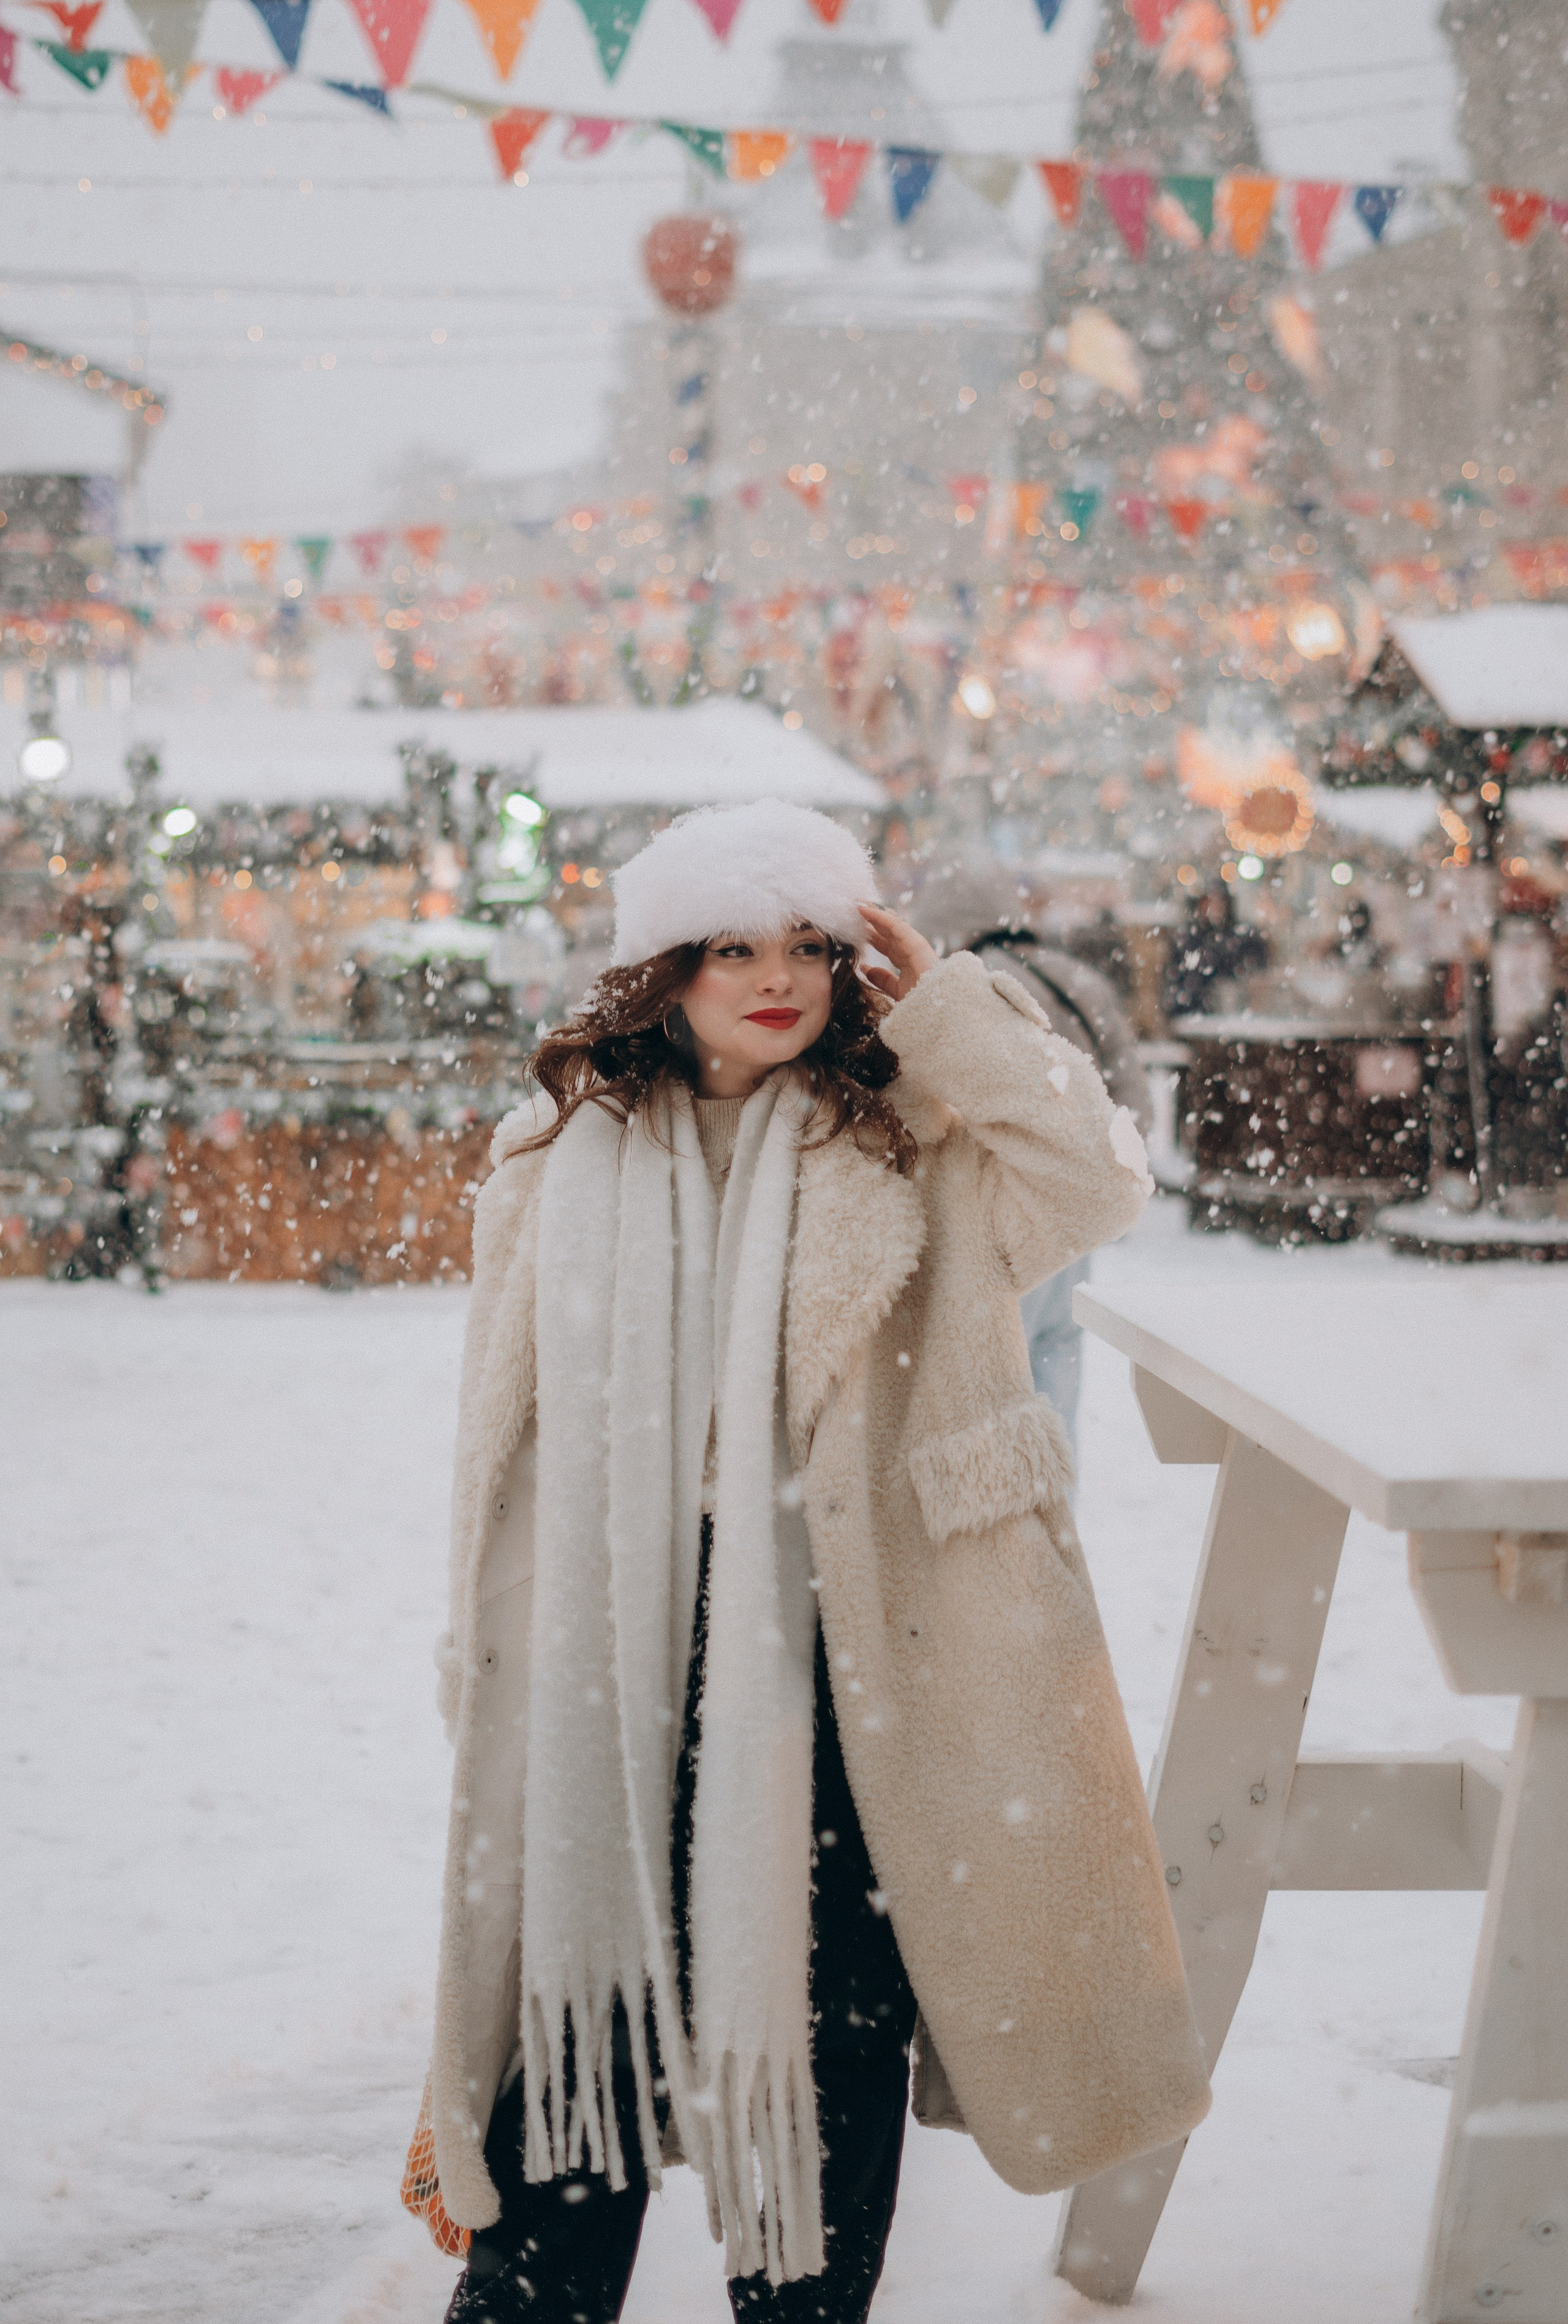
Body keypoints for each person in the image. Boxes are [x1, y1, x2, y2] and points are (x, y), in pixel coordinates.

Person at [404, 800, 1209, 2324]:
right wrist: (481, 1639)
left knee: (831, 2019)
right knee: (581, 2026)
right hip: (613, 1653)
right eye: (731, 946)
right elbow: (496, 1437)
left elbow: (1095, 1180)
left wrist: (948, 1005)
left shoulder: (911, 1137)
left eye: (808, 946)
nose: (774, 978)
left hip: (849, 1651)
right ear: (666, 967)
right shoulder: (556, 1154)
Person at [913, 862, 1152, 1448]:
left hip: (1000, 1214)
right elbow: (1133, 1093)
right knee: (1056, 1378)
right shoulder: (1080, 978)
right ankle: (1056, 1520)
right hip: (1078, 1207)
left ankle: (1009, 1524)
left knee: (993, 1391)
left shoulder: (964, 983)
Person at [1163, 879, 1267, 1022]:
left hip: (1234, 1017)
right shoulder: (1189, 940)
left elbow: (1255, 974)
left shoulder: (1243, 939)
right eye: (1208, 902)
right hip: (1196, 1017)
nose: (1214, 907)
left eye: (1219, 902)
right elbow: (1181, 980)